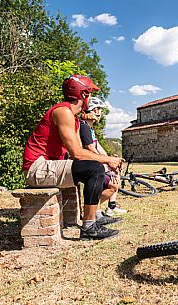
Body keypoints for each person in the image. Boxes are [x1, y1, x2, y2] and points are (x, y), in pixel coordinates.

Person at [22, 74, 124, 240]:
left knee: (92, 168)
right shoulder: (63, 112)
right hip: (37, 168)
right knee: (95, 169)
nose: (90, 98)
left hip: (48, 166)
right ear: (84, 95)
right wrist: (108, 161)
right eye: (90, 93)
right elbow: (77, 153)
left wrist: (106, 163)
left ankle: (93, 219)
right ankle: (89, 227)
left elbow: (77, 155)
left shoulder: (74, 118)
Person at [79, 97, 127, 218]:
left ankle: (108, 208)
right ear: (94, 110)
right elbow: (90, 149)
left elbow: (98, 147)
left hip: (94, 163)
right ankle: (92, 212)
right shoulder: (84, 127)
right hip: (87, 165)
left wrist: (111, 161)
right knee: (113, 185)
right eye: (99, 109)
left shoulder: (90, 128)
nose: (100, 113)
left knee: (115, 175)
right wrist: (106, 164)